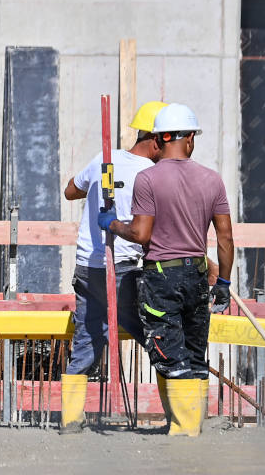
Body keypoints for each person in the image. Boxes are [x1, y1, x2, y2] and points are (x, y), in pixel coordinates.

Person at [100, 103, 234, 436]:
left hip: (161, 275)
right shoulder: (212, 180)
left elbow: (141, 234)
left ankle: (184, 435)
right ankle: (191, 429)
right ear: (189, 138)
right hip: (199, 274)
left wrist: (113, 223)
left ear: (160, 139)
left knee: (170, 355)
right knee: (194, 354)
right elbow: (226, 237)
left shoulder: (148, 179)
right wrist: (225, 282)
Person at [58, 101, 166, 434]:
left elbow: (70, 190)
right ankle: (180, 412)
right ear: (155, 140)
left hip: (86, 266)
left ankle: (70, 420)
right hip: (120, 268)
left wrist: (101, 186)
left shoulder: (105, 161)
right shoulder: (153, 176)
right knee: (156, 334)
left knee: (88, 338)